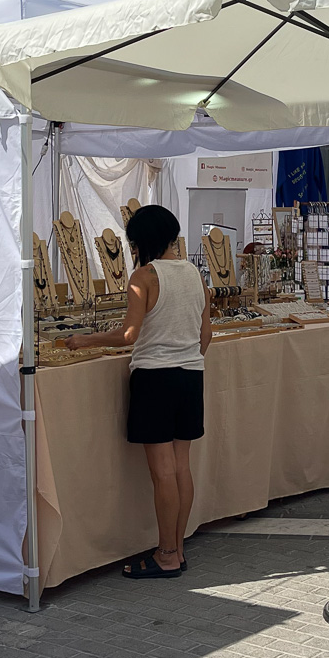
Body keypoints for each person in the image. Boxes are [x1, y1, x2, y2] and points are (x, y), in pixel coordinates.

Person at [61, 205, 210, 579]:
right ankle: (176, 548)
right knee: (180, 467)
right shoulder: (194, 274)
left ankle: (166, 554)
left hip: (155, 378)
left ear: (140, 242)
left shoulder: (143, 276)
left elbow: (128, 336)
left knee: (163, 473)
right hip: (191, 376)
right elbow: (205, 334)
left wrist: (83, 340)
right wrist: (186, 357)